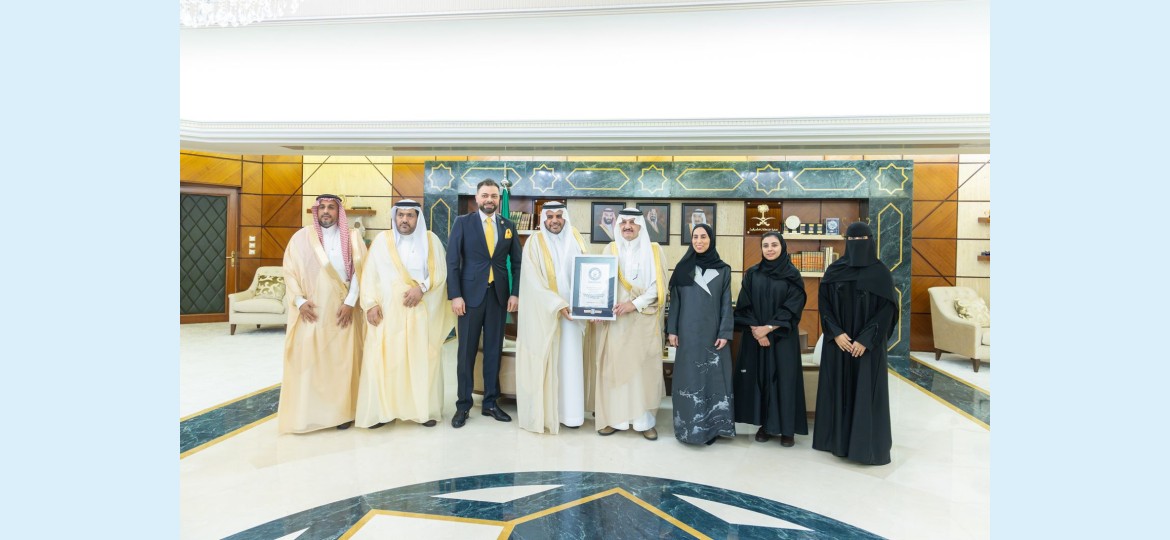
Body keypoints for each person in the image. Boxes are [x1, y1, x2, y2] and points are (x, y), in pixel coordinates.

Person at [354, 200, 456, 429]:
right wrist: (370, 304)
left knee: (422, 360)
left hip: (420, 313)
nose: (404, 220)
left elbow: (440, 273)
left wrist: (422, 288)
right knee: (386, 361)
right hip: (388, 314)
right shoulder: (382, 241)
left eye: (410, 215)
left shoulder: (431, 241)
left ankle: (423, 411)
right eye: (400, 215)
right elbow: (370, 275)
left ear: (418, 218)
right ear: (395, 217)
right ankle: (384, 412)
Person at [278, 194, 368, 434]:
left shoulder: (353, 237)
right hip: (313, 310)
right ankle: (311, 413)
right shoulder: (301, 238)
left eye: (331, 207)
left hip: (343, 310)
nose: (326, 211)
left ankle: (342, 413)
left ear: (340, 212)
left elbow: (360, 272)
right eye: (322, 208)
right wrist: (299, 301)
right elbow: (289, 272)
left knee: (342, 362)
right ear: (316, 211)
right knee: (312, 361)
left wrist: (350, 302)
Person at [813, 221, 897, 465]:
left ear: (871, 241)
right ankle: (836, 443)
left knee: (865, 392)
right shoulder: (834, 270)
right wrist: (836, 333)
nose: (857, 244)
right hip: (839, 344)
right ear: (846, 242)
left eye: (862, 240)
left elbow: (887, 310)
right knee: (837, 389)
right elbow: (824, 305)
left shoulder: (881, 273)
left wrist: (866, 339)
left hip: (866, 347)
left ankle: (864, 448)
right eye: (852, 240)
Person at [446, 179, 522, 428]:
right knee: (466, 353)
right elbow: (452, 261)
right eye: (485, 195)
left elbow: (517, 264)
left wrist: (515, 293)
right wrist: (455, 295)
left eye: (494, 196)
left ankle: (490, 403)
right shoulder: (463, 223)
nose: (490, 199)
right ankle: (463, 405)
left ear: (499, 199)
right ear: (477, 198)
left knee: (493, 352)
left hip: (498, 297)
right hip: (468, 298)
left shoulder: (508, 225)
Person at [587, 208, 667, 441]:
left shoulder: (654, 250)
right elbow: (599, 284)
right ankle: (615, 420)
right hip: (615, 322)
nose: (628, 226)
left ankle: (644, 422)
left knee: (643, 372)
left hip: (643, 319)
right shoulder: (610, 249)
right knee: (615, 370)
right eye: (623, 222)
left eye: (633, 222)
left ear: (641, 225)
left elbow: (659, 287)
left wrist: (634, 304)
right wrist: (598, 309)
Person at [515, 202, 590, 434]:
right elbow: (532, 282)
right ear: (543, 219)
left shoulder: (576, 238)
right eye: (550, 216)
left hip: (574, 315)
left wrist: (591, 304)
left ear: (565, 217)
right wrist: (557, 304)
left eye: (559, 216)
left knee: (571, 362)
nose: (554, 220)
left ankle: (572, 415)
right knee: (549, 362)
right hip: (546, 314)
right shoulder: (534, 242)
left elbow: (589, 272)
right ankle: (549, 413)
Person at [733, 232, 808, 447]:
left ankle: (787, 430)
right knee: (761, 379)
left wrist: (768, 329)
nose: (770, 249)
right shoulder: (753, 273)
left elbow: (793, 306)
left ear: (782, 247)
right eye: (765, 245)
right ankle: (764, 425)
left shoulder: (792, 275)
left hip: (782, 338)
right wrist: (757, 331)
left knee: (784, 380)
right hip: (756, 337)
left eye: (774, 245)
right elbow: (744, 304)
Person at [666, 224, 735, 445]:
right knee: (689, 380)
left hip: (713, 335)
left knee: (712, 381)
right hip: (687, 333)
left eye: (703, 237)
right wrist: (672, 330)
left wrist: (725, 332)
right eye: (695, 237)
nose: (699, 241)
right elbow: (675, 303)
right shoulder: (683, 268)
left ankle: (713, 429)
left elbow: (726, 304)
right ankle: (688, 429)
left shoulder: (723, 270)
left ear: (711, 239)